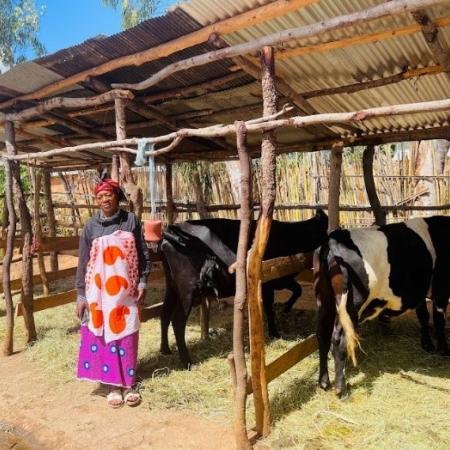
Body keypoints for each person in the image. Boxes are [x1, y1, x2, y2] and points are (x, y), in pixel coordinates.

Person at [75, 178, 151, 408]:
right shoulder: (91, 226)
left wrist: (143, 283)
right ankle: (112, 385)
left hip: (125, 292)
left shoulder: (130, 221)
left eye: (108, 195)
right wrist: (80, 294)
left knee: (126, 333)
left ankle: (128, 384)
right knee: (104, 334)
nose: (104, 200)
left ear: (116, 196)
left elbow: (143, 253)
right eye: (99, 197)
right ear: (96, 200)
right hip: (98, 294)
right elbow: (83, 261)